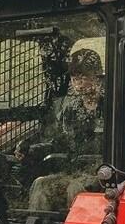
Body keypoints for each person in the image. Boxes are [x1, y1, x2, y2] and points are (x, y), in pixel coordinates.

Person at [26, 47, 104, 212]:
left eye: (83, 77)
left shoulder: (110, 106)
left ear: (96, 76)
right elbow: (59, 141)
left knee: (75, 188)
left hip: (101, 172)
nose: (78, 83)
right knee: (40, 184)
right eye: (74, 78)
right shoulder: (70, 109)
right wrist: (32, 149)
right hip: (72, 171)